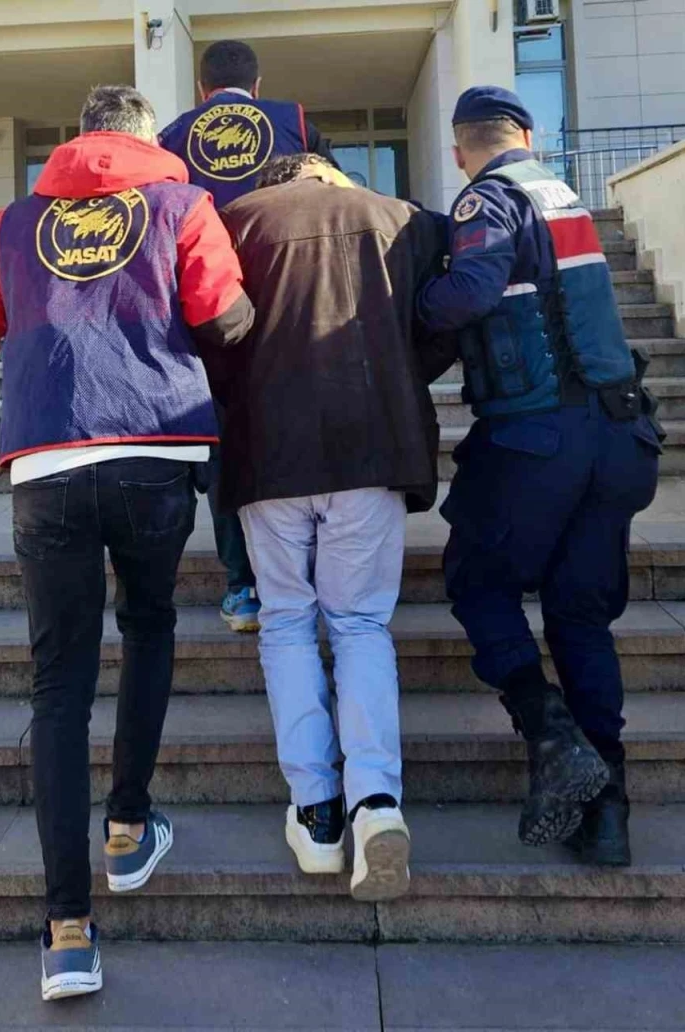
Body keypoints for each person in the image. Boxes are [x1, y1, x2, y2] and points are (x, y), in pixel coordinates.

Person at [0, 85, 253, 1000]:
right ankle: (129, 825)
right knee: (149, 626)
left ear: (79, 140)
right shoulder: (183, 204)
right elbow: (226, 318)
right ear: (146, 138)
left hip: (47, 462)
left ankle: (67, 932)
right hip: (156, 448)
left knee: (59, 685)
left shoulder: (11, 225)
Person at [417, 87, 662, 867]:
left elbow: (469, 293)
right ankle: (609, 810)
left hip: (536, 440)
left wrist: (410, 303)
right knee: (579, 616)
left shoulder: (486, 198)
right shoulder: (561, 194)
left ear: (460, 150)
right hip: (619, 437)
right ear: (527, 133)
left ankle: (551, 734)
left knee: (478, 582)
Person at [213, 153, 447, 900]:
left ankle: (315, 815)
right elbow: (445, 316)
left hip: (268, 453)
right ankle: (375, 803)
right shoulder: (399, 217)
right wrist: (402, 373)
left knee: (286, 621)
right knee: (360, 624)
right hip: (373, 445)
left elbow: (211, 327)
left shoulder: (234, 221)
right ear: (328, 173)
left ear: (277, 181)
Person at [159, 39, 338, 634]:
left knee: (228, 451)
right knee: (299, 438)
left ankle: (243, 587)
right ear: (257, 86)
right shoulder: (295, 121)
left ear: (202, 89)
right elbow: (335, 192)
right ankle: (316, 578)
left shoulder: (172, 136)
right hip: (294, 308)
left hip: (211, 317)